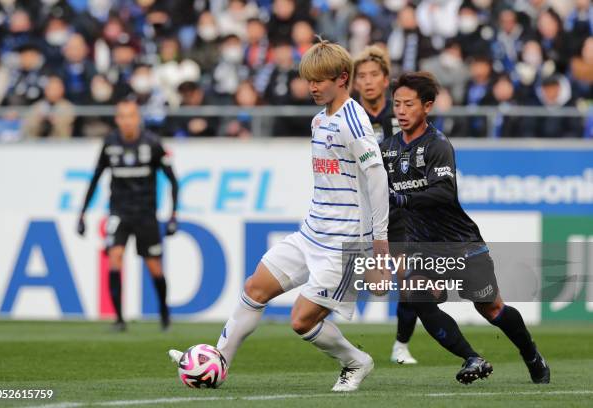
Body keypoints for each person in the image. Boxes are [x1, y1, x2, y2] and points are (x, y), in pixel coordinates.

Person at [169, 40, 390, 392]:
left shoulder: (353, 120)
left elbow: (377, 178)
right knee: (255, 288)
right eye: (309, 80)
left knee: (301, 321)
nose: (312, 87)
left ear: (343, 78)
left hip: (344, 242)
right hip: (311, 232)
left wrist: (379, 248)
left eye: (320, 80)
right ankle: (219, 360)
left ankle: (355, 361)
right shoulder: (320, 120)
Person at [382, 71, 550, 384]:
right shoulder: (387, 148)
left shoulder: (438, 145)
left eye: (409, 104)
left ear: (427, 106)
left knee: (491, 308)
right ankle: (472, 357)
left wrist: (402, 198)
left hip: (461, 243)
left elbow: (444, 191)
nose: (401, 111)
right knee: (415, 294)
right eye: (397, 104)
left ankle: (531, 355)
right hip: (422, 246)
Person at [77, 98, 179, 332]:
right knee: (115, 257)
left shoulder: (153, 143)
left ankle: (164, 314)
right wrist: (82, 213)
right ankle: (119, 319)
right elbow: (95, 177)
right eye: (122, 117)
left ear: (138, 118)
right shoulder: (110, 143)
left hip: (145, 214)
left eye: (131, 116)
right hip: (119, 212)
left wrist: (174, 214)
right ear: (117, 120)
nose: (127, 121)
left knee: (154, 266)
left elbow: (174, 181)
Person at [353, 45, 418, 365]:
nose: (367, 82)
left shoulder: (401, 114)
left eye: (373, 75)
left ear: (385, 79)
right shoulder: (350, 116)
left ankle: (401, 345)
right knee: (374, 285)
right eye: (361, 76)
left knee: (409, 277)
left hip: (399, 210)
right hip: (359, 210)